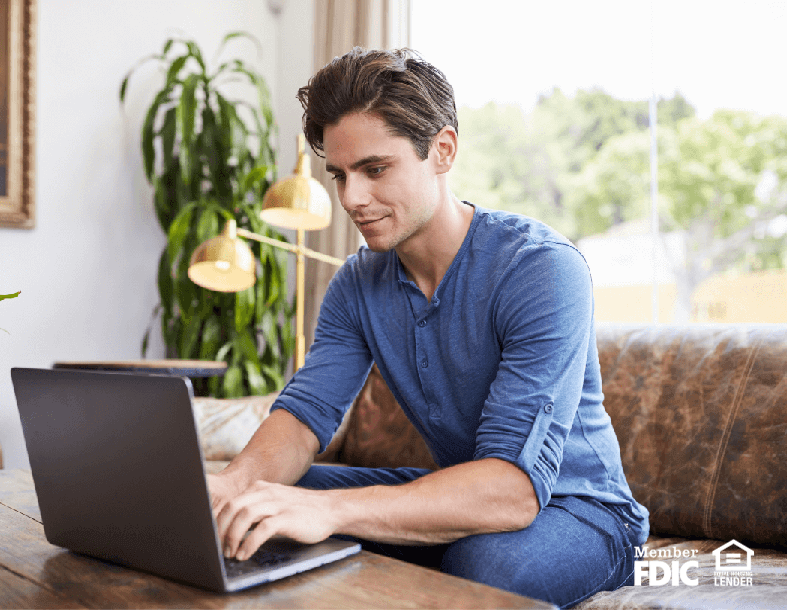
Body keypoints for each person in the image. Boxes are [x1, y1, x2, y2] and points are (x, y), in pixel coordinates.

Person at [208, 47, 649, 609]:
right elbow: (302, 419)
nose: (351, 198)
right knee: (254, 505)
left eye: (375, 169)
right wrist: (233, 484)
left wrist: (332, 511)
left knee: (480, 563)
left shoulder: (540, 269)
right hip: (463, 496)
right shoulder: (356, 283)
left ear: (442, 151)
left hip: (578, 511)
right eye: (340, 175)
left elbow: (513, 493)